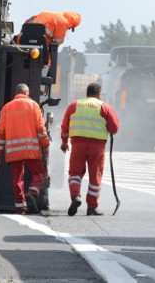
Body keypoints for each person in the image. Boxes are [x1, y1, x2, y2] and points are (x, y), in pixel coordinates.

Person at [60, 82, 119, 216]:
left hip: (77, 144)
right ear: (99, 94)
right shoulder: (104, 107)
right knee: (95, 176)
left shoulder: (74, 105)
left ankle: (75, 196)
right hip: (97, 146)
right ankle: (92, 207)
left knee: (75, 173)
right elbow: (114, 128)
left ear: (86, 94)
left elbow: (65, 127)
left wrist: (64, 142)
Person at [0, 83, 50, 214]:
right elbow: (41, 129)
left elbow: (1, 132)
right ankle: (32, 193)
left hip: (13, 151)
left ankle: (20, 207)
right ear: (26, 93)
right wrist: (45, 145)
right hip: (31, 150)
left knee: (17, 178)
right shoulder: (33, 105)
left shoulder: (6, 108)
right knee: (39, 173)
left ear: (16, 93)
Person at [18, 11, 81, 76]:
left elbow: (27, 23)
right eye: (71, 28)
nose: (69, 29)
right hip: (40, 48)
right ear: (72, 24)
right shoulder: (63, 23)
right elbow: (55, 44)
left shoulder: (45, 13)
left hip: (22, 42)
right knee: (47, 58)